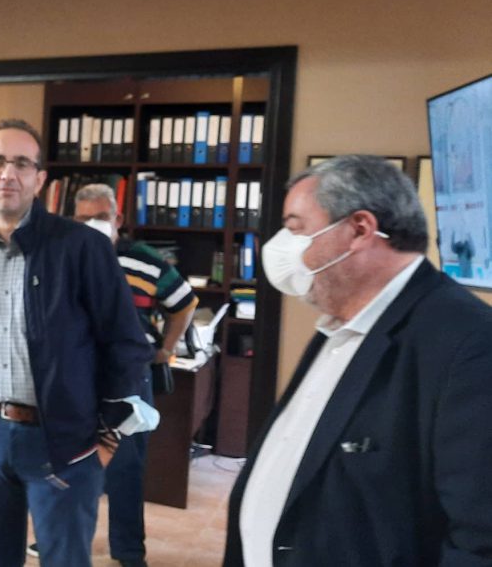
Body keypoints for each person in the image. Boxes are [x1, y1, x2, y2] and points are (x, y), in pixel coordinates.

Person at [224, 155, 492, 566]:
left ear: (359, 230)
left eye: (295, 228)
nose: (281, 247)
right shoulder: (339, 324)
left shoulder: (468, 343)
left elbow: (480, 539)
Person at [0, 119, 153, 567]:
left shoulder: (82, 247)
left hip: (63, 440)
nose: (7, 174)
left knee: (64, 560)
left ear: (40, 179)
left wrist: (108, 437)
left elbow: (126, 343)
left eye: (21, 163)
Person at [33, 183, 197, 567]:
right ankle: (58, 536)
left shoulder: (145, 260)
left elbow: (185, 303)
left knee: (126, 467)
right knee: (67, 462)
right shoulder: (61, 254)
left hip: (128, 376)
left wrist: (166, 348)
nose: (92, 225)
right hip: (74, 376)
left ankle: (128, 550)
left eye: (101, 217)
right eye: (83, 219)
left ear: (117, 218)